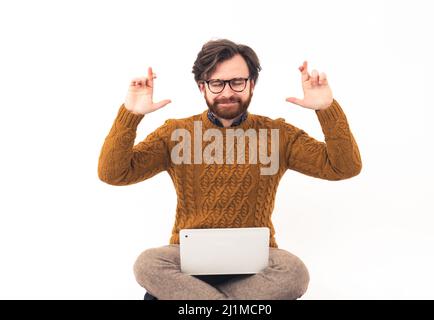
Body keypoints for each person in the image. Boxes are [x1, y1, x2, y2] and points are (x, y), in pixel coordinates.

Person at [98, 39, 362, 300]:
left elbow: (344, 167)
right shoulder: (176, 133)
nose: (227, 92)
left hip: (256, 265)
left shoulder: (278, 134)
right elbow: (114, 173)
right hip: (189, 262)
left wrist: (326, 109)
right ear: (202, 87)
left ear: (252, 85)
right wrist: (131, 114)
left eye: (237, 82)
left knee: (294, 272)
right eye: (216, 83)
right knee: (148, 263)